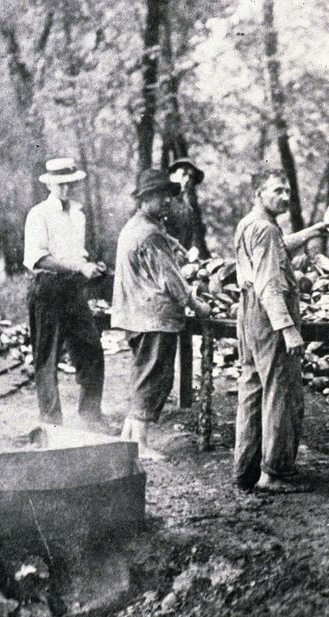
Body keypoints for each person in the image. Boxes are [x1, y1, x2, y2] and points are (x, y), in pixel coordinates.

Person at [233, 168, 329, 492]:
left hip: (249, 314)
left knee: (253, 389)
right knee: (281, 392)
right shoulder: (265, 230)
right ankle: (274, 472)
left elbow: (277, 247)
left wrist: (311, 231)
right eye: (277, 190)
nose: (285, 197)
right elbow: (270, 286)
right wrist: (288, 328)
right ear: (259, 193)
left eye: (288, 191)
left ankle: (245, 470)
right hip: (269, 314)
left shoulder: (251, 224)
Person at [110, 168, 212, 454]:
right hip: (153, 317)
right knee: (154, 381)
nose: (167, 201)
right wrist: (197, 305)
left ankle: (128, 440)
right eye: (160, 197)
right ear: (144, 199)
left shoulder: (137, 226)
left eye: (169, 196)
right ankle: (140, 445)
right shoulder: (149, 234)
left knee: (143, 377)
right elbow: (172, 281)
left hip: (136, 316)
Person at [24, 157, 107, 429]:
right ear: (50, 184)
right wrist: (77, 265)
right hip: (47, 288)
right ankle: (50, 421)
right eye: (60, 184)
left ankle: (90, 415)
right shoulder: (38, 214)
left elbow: (78, 254)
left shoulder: (78, 214)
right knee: (47, 356)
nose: (66, 189)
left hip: (73, 290)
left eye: (70, 184)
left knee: (91, 349)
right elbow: (39, 259)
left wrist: (91, 266)